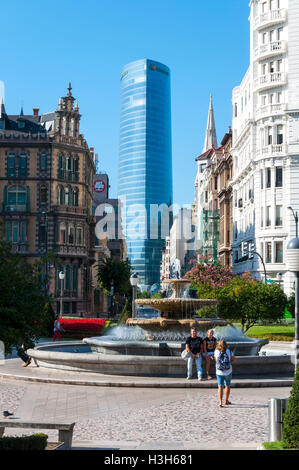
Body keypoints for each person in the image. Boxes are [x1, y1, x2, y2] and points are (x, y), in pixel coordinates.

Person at [214, 339, 235, 408]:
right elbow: (232, 360)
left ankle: (220, 402)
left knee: (220, 386)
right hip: (228, 371)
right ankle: (226, 400)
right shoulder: (228, 351)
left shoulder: (216, 352)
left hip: (219, 372)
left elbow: (216, 361)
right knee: (227, 386)